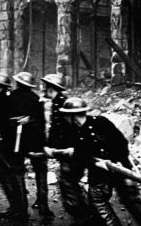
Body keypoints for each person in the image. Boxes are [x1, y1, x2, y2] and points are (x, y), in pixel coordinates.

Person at [48, 97, 141, 226]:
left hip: (119, 166)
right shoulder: (74, 132)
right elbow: (80, 154)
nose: (65, 118)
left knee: (131, 199)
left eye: (67, 115)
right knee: (97, 200)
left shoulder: (101, 122)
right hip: (98, 172)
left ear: (73, 116)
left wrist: (122, 164)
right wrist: (95, 163)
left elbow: (121, 142)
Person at [5, 71, 53, 223]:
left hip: (17, 141)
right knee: (41, 170)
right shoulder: (37, 99)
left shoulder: (10, 98)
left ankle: (22, 208)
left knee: (18, 171)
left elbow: (6, 122)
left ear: (18, 83)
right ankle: (44, 206)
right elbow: (41, 123)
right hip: (36, 140)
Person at [41, 73, 90, 224]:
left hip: (71, 150)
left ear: (51, 88)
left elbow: (70, 129)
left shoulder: (64, 104)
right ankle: (83, 214)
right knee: (69, 182)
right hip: (65, 149)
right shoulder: (57, 102)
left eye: (46, 86)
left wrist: (67, 148)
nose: (43, 89)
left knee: (69, 182)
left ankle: (82, 216)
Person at [0, 72, 29, 223]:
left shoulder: (3, 100)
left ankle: (20, 210)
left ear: (0, 87)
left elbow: (8, 122)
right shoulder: (5, 99)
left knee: (10, 175)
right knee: (6, 175)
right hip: (6, 142)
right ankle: (17, 208)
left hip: (8, 143)